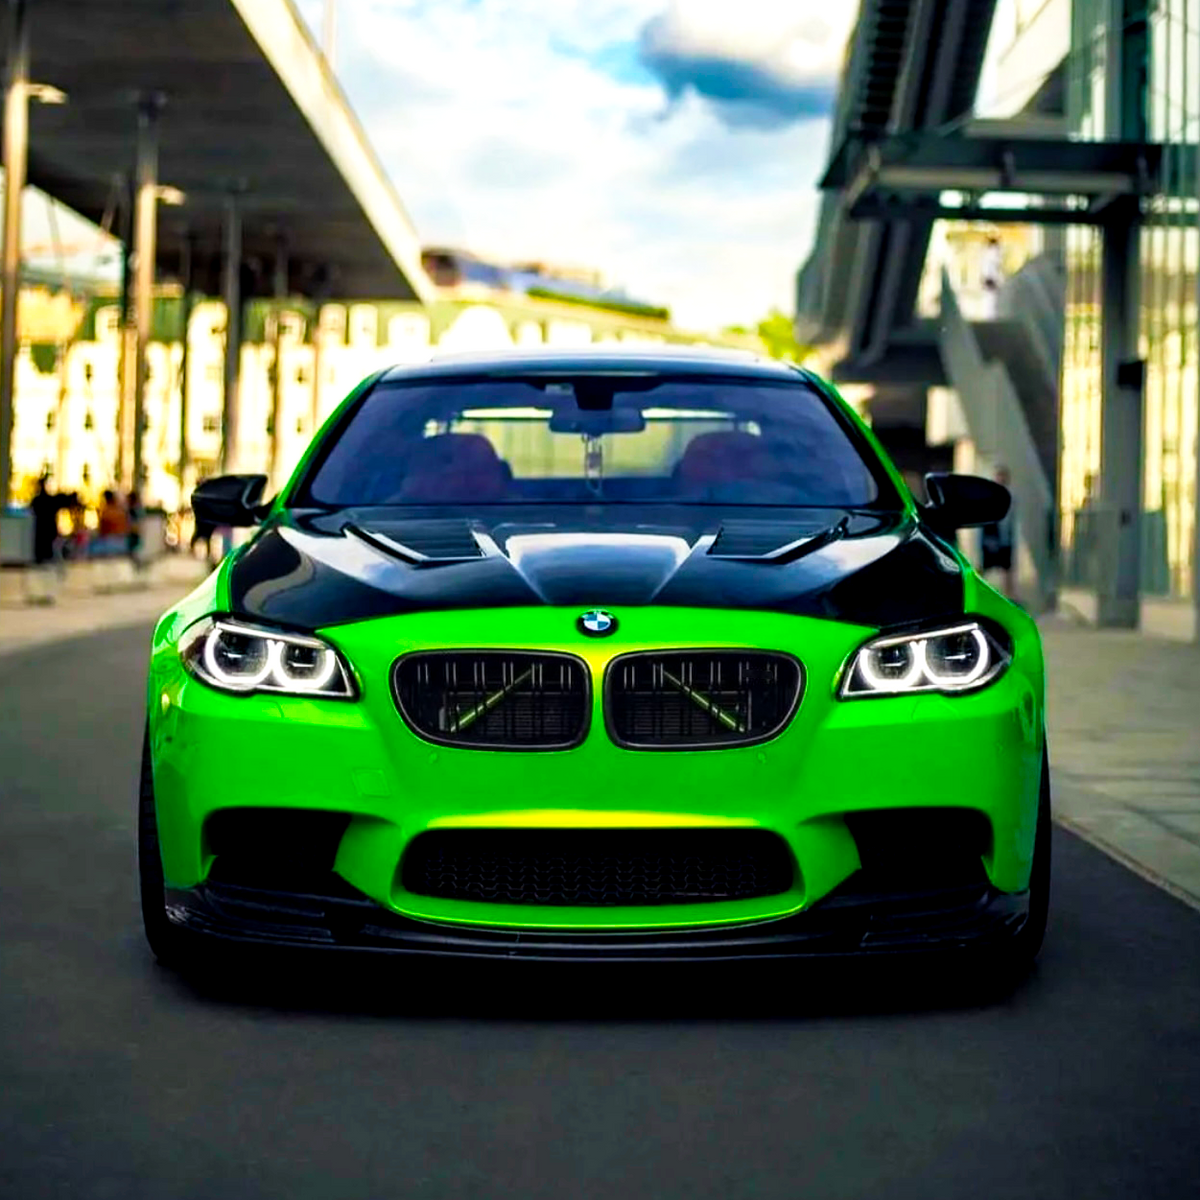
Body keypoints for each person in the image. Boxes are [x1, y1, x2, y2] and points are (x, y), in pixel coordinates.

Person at [980, 465, 1017, 599]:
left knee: (1007, 568)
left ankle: (1009, 596)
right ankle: (980, 593)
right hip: (990, 537)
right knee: (984, 566)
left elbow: (1012, 520)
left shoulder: (1010, 496)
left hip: (1005, 539)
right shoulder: (989, 495)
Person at [27, 476, 64, 604]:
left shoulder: (36, 501)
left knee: (40, 565)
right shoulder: (50, 500)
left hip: (39, 536)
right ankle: (47, 593)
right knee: (49, 565)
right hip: (49, 536)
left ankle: (38, 593)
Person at [980, 233, 1003, 319]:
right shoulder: (992, 253)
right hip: (991, 284)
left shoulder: (988, 254)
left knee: (990, 308)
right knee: (991, 307)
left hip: (991, 284)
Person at [126, 489, 144, 571]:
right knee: (134, 552)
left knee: (134, 551)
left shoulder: (134, 510)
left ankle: (137, 566)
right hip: (134, 533)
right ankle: (136, 566)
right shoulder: (136, 509)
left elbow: (136, 523)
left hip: (134, 534)